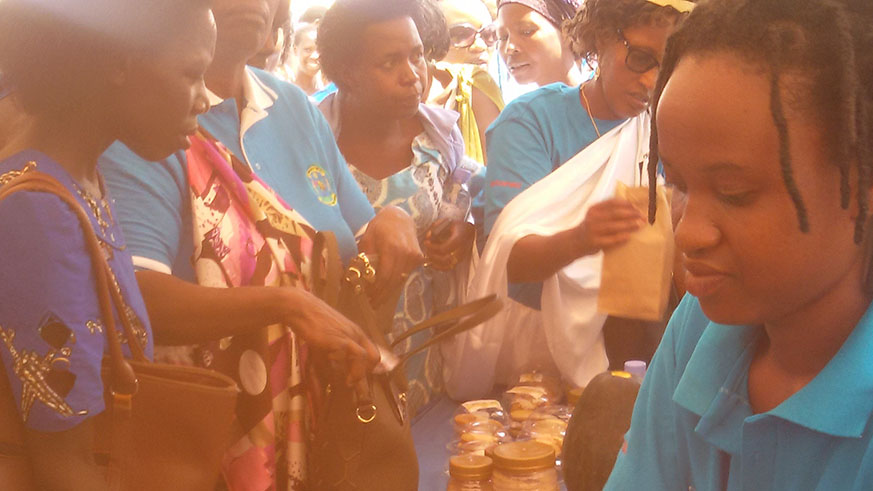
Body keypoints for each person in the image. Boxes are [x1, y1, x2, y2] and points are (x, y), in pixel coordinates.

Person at [98, 0, 421, 488]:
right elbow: (136, 296)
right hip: (215, 443)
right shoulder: (148, 118)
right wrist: (285, 305)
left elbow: (355, 239)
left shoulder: (291, 106)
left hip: (329, 426)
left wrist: (393, 219)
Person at [606, 0, 873, 488]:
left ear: (862, 185)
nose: (686, 233)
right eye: (677, 184)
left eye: (735, 193)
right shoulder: (701, 327)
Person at [0, 1, 216, 489]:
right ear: (119, 61)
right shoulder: (40, 213)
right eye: (193, 73)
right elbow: (66, 465)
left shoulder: (77, 181)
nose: (205, 99)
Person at [442, 0, 686, 399]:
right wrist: (583, 238)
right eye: (641, 58)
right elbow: (510, 262)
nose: (651, 81)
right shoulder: (530, 123)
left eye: (669, 65)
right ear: (603, 38)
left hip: (632, 350)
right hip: (539, 356)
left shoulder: (662, 126)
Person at [317, 0, 482, 418]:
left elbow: (465, 196)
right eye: (390, 62)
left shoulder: (439, 136)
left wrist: (465, 229)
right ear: (347, 72)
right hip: (344, 369)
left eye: (417, 55)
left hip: (427, 364)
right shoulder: (313, 145)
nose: (413, 75)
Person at [427, 0, 505, 166]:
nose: (480, 46)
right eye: (461, 35)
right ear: (429, 44)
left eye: (489, 34)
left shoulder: (479, 86)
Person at [495, 0, 583, 89]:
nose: (509, 48)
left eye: (526, 31)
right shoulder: (517, 101)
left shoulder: (594, 99)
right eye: (502, 37)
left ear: (567, 33)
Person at [289, 23, 326, 95]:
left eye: (319, 50)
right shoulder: (286, 92)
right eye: (308, 50)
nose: (315, 56)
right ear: (295, 50)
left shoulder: (328, 93)